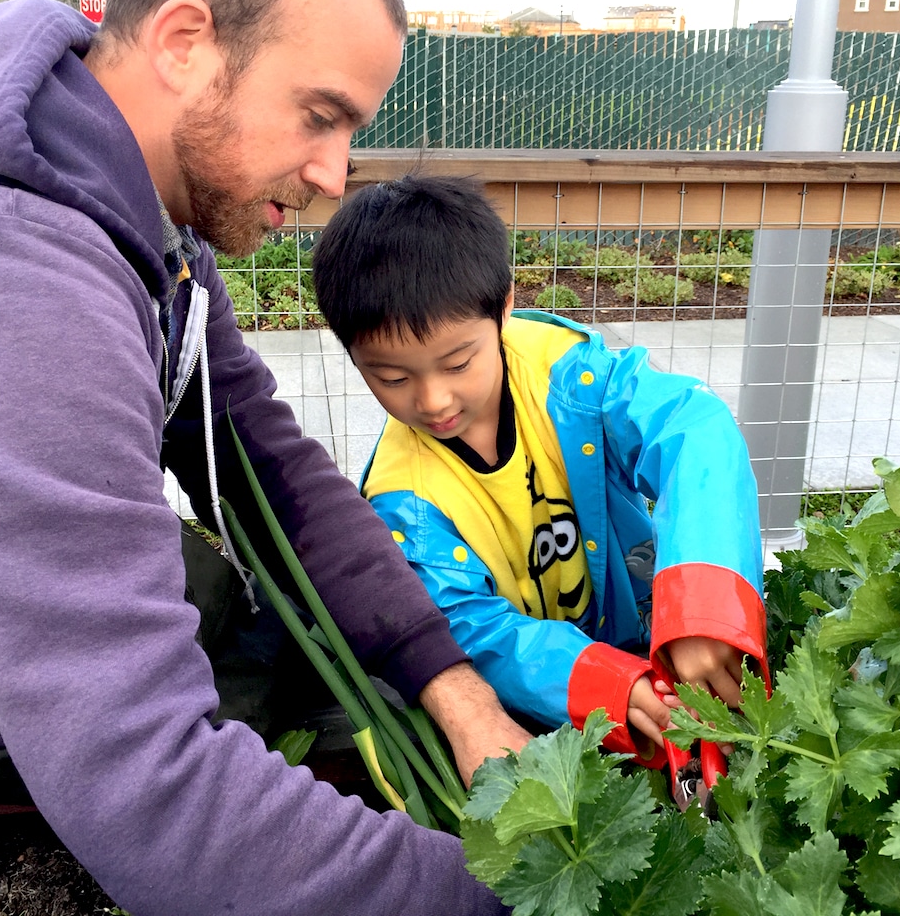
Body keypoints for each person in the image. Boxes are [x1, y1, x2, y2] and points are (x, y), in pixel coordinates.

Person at [0, 0, 531, 914]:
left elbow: (267, 465)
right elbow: (139, 778)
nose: (334, 174)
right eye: (320, 116)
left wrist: (452, 680)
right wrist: (516, 899)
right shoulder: (0, 278)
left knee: (372, 651)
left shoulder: (136, 207)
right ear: (185, 43)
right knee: (319, 702)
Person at [311, 175, 769, 764]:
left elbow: (694, 429)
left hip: (655, 634)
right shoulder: (405, 503)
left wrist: (704, 605)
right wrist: (608, 687)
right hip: (549, 707)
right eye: (392, 378)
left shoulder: (572, 381)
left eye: (457, 363)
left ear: (502, 311)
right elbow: (477, 629)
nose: (433, 401)